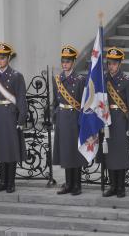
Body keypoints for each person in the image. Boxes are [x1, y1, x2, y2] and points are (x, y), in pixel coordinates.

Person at [0, 41, 27, 193]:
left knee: (11, 149)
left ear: (8, 58)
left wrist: (21, 119)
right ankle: (2, 181)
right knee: (0, 149)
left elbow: (21, 99)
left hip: (10, 115)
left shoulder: (16, 76)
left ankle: (11, 183)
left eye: (3, 58)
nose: (0, 60)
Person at [53, 44, 87, 196]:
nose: (65, 64)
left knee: (75, 152)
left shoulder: (80, 80)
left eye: (68, 61)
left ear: (73, 62)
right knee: (66, 152)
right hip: (62, 119)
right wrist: (55, 116)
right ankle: (68, 183)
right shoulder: (58, 79)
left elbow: (84, 103)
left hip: (75, 119)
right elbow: (55, 101)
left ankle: (77, 185)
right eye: (63, 61)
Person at [103, 47, 129, 198]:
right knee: (109, 155)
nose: (111, 67)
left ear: (120, 64)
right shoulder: (103, 79)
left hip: (121, 121)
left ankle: (121, 187)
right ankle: (113, 186)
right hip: (107, 121)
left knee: (120, 155)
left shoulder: (127, 81)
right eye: (109, 63)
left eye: (114, 64)